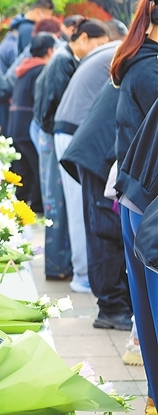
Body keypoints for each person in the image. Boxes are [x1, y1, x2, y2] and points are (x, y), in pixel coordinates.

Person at [33, 18, 110, 286]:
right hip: (56, 133)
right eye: (99, 43)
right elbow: (49, 105)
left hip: (56, 133)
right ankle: (67, 269)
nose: (99, 49)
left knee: (64, 203)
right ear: (84, 38)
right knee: (63, 204)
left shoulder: (68, 58)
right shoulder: (64, 59)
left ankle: (63, 266)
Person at [112, 0, 158, 415]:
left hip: (137, 196)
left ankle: (153, 398)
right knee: (151, 311)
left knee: (147, 311)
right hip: (148, 200)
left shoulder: (140, 59)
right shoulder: (151, 69)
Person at [54, 35, 124, 310]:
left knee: (102, 228)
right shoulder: (141, 57)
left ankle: (112, 301)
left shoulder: (128, 50)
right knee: (104, 230)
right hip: (98, 150)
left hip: (95, 144)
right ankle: (111, 305)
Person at [5, 32, 56, 213]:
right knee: (36, 167)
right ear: (50, 50)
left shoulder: (24, 68)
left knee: (23, 169)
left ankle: (22, 205)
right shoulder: (42, 69)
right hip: (28, 126)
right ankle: (35, 206)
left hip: (15, 125)